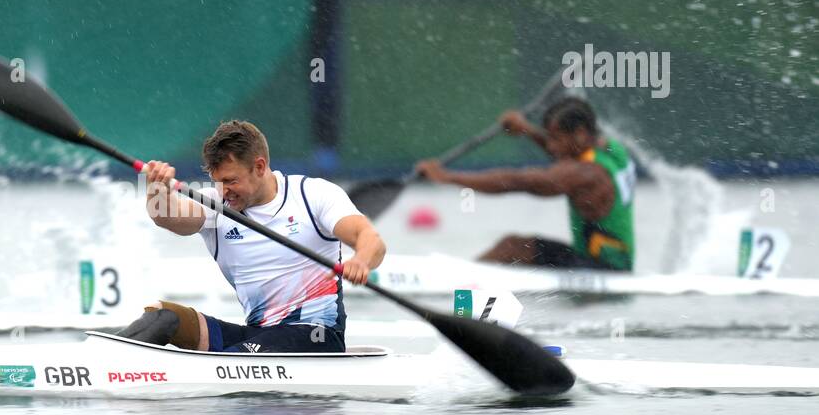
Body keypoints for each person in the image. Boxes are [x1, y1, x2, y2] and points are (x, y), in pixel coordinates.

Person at [121, 119, 386, 354]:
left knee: (238, 355)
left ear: (259, 166)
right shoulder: (216, 204)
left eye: (231, 181)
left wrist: (361, 261)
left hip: (316, 336)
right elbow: (167, 217)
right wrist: (157, 188)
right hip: (259, 336)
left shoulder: (313, 195)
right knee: (162, 317)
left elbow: (370, 239)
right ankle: (101, 363)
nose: (224, 191)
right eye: (217, 182)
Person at [414, 97, 635, 270]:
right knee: (516, 246)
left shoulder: (587, 174)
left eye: (555, 138)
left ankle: (457, 288)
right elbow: (567, 153)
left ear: (580, 134)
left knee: (512, 248)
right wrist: (526, 130)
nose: (551, 146)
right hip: (616, 260)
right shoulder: (611, 149)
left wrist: (447, 176)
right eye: (549, 138)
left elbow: (517, 181)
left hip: (604, 269)